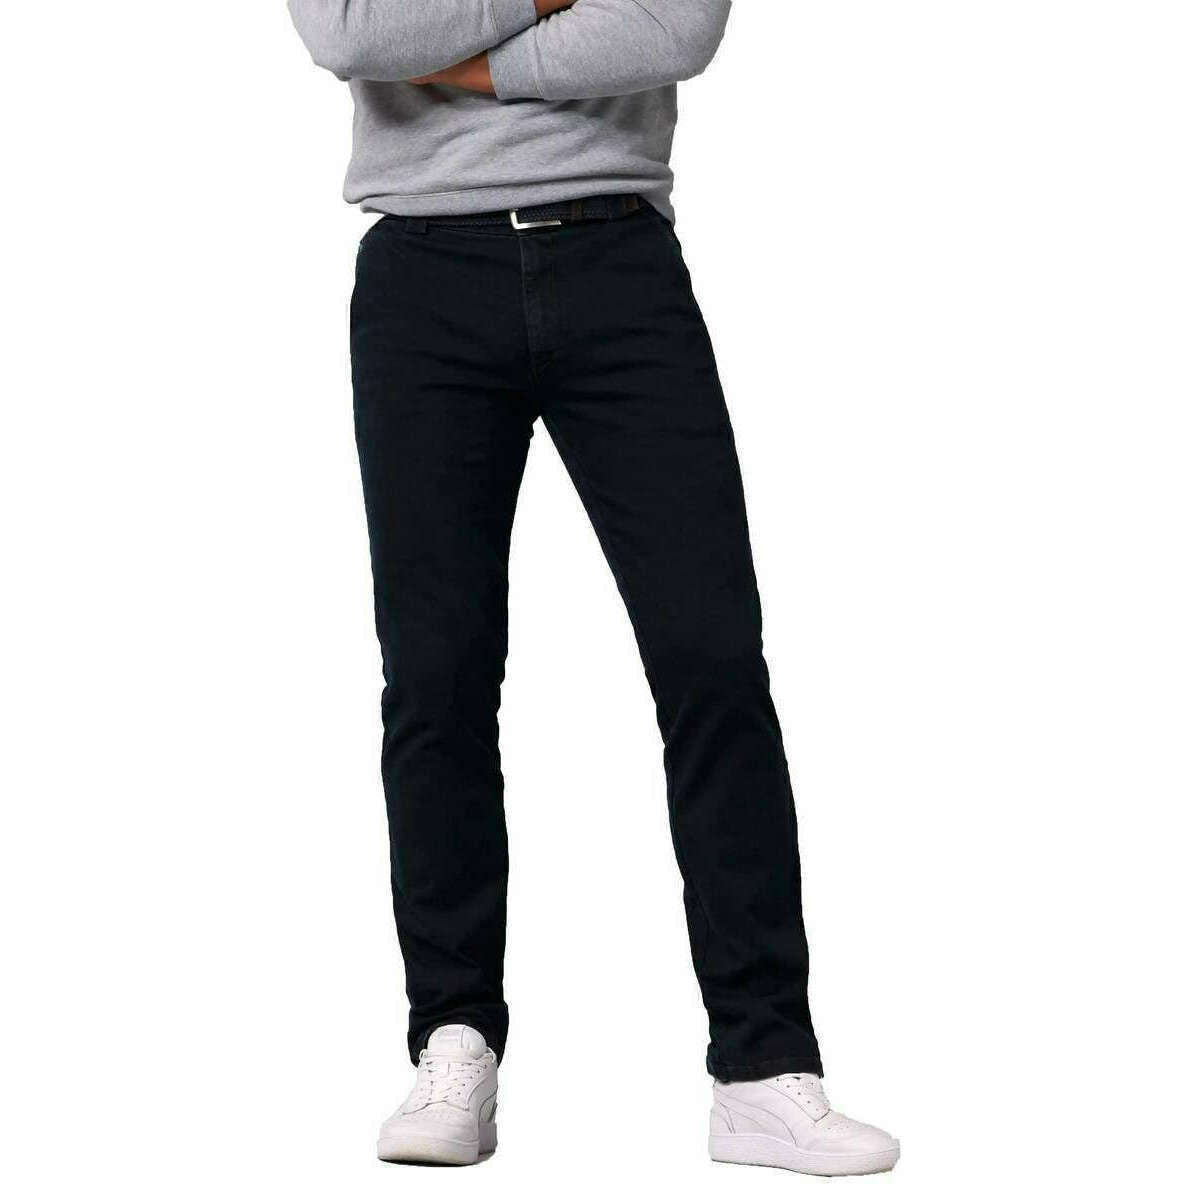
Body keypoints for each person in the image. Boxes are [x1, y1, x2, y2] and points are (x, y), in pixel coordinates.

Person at [287, 0, 899, 1176]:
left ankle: (761, 1068)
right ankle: (454, 1038)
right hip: (422, 272)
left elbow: (675, 32)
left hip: (619, 261)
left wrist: (455, 61)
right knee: (438, 674)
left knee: (712, 657)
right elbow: (350, 33)